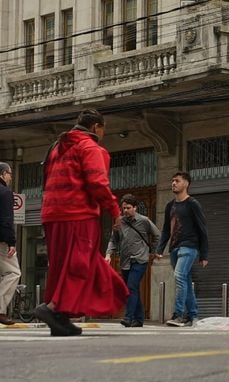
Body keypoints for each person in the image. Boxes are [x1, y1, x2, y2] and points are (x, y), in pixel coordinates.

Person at [36, 109, 129, 336]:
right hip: (78, 214)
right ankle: (53, 308)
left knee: (64, 266)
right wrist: (114, 211)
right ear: (96, 127)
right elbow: (98, 183)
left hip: (52, 214)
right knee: (79, 265)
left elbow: (46, 180)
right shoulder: (91, 148)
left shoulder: (57, 147)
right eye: (103, 129)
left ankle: (60, 317)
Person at [156, 171, 208, 327]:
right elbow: (166, 229)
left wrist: (204, 254)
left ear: (186, 184)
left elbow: (202, 228)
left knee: (179, 277)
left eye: (177, 181)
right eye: (172, 181)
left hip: (189, 246)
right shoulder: (170, 206)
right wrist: (160, 248)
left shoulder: (193, 204)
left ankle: (178, 315)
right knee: (185, 280)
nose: (173, 183)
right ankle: (193, 315)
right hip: (174, 248)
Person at [105, 194, 160, 328]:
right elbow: (113, 240)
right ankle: (139, 319)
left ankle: (128, 317)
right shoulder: (119, 222)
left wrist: (153, 251)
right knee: (133, 289)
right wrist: (108, 254)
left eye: (128, 208)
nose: (125, 210)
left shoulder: (144, 221)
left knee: (131, 287)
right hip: (125, 261)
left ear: (135, 208)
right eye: (124, 208)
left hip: (140, 260)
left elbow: (157, 235)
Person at [0, 162, 21, 325]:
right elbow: (6, 219)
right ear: (2, 174)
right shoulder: (5, 193)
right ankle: (0, 309)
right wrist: (11, 242)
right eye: (9, 173)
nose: (11, 177)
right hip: (1, 241)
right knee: (13, 273)